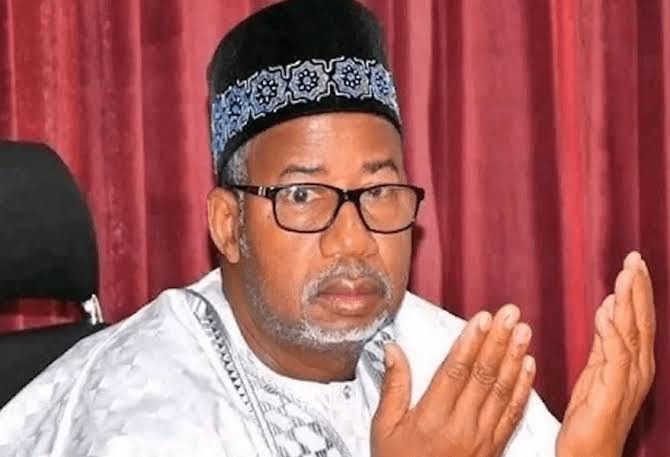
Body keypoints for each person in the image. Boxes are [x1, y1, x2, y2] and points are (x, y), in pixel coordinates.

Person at [0, 0, 655, 456]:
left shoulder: (438, 352)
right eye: (303, 195)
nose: (353, 241)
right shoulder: (144, 419)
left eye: (379, 192)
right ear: (229, 225)